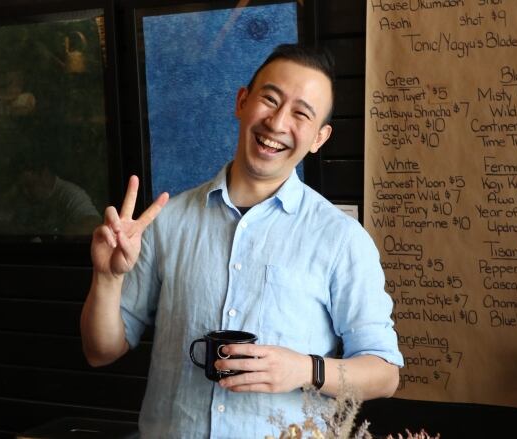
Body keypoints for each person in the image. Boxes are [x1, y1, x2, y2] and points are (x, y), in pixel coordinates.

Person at [80, 44, 403, 438]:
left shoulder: (341, 239)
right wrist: (107, 277)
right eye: (270, 99)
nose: (278, 122)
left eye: (301, 113)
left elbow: (385, 374)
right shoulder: (169, 221)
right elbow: (101, 351)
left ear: (319, 138)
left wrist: (304, 369)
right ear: (242, 102)